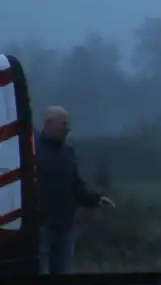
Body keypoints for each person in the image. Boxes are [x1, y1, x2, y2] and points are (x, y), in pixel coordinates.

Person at [34, 106, 115, 275]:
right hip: (41, 227)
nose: (67, 128)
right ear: (49, 124)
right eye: (63, 124)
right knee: (38, 278)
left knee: (63, 278)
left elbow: (75, 185)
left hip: (65, 227)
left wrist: (95, 200)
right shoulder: (32, 152)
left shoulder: (68, 152)